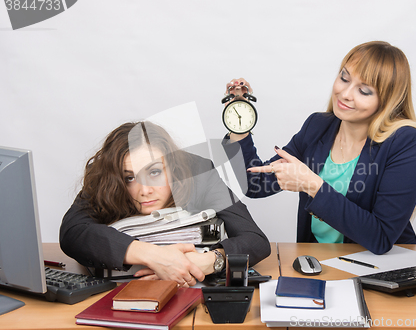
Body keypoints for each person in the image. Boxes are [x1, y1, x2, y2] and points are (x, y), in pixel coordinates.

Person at [223, 41, 416, 255]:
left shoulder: (404, 141)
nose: (345, 93)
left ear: (387, 101)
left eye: (364, 90)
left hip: (380, 268)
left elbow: (380, 238)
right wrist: (239, 123)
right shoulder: (318, 126)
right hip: (322, 262)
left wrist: (311, 184)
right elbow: (255, 184)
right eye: (344, 78)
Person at [60, 121, 270, 286]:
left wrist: (206, 261)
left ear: (173, 167)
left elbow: (255, 239)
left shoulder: (199, 171)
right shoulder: (106, 177)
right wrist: (155, 256)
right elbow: (72, 232)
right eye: (130, 178)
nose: (144, 190)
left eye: (154, 172)